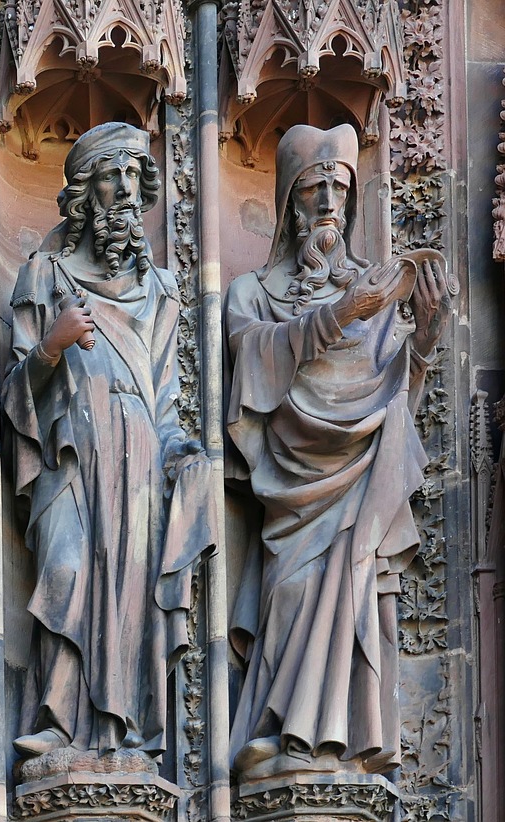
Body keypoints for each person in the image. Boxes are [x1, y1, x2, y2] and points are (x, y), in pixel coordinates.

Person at [225, 123, 451, 780]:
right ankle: (280, 730)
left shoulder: (380, 297)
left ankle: (339, 742)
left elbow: (393, 413)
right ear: (288, 201)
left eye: (339, 188)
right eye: (313, 188)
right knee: (291, 595)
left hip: (357, 485)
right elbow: (251, 373)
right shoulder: (253, 293)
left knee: (353, 593)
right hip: (291, 488)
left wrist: (426, 342)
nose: (327, 202)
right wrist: (341, 312)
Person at [3, 122, 213, 764]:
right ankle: (60, 722)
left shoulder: (161, 292)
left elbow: (166, 399)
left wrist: (184, 454)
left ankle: (125, 735)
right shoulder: (45, 275)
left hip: (140, 462)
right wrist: (52, 345)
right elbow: (14, 396)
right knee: (66, 569)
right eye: (109, 176)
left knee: (130, 595)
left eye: (132, 176)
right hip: (69, 459)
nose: (123, 190)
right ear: (84, 191)